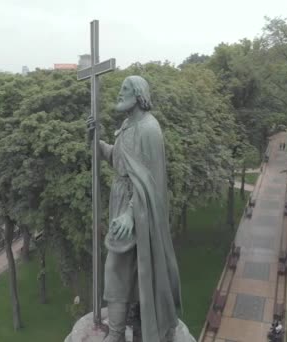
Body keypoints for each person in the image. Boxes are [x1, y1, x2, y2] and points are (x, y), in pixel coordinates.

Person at [87, 76, 181, 342]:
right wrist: (95, 140)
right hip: (122, 206)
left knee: (120, 269)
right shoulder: (127, 125)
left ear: (138, 95)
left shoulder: (150, 129)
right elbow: (116, 159)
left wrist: (130, 214)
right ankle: (128, 328)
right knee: (127, 271)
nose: (119, 94)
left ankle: (121, 333)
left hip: (140, 213)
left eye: (124, 90)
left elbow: (152, 181)